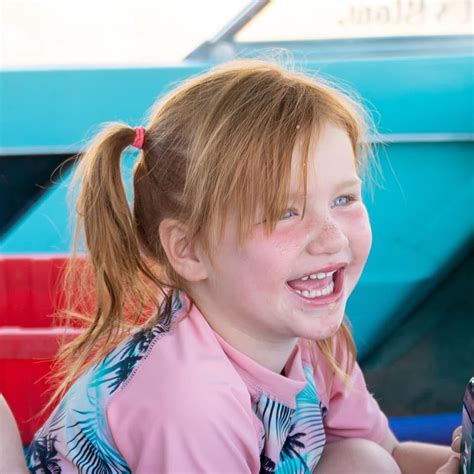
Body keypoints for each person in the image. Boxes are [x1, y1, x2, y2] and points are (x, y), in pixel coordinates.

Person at [22, 59, 460, 473]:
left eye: (343, 199)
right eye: (285, 212)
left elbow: (390, 454)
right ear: (189, 250)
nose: (333, 238)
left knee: (364, 460)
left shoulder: (314, 337)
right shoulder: (188, 401)